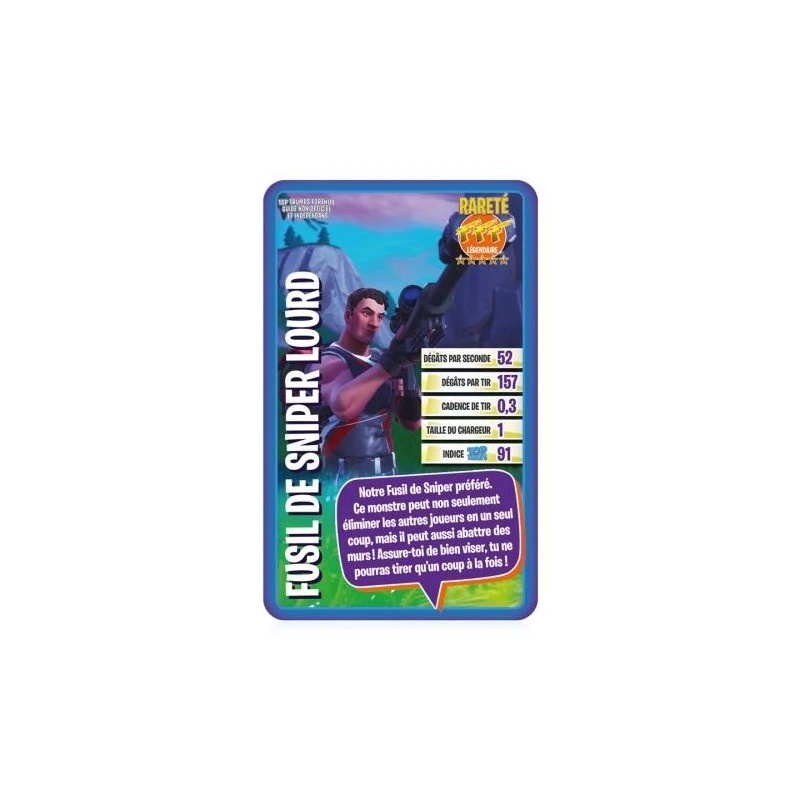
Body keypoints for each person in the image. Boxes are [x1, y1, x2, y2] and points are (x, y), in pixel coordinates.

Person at [317, 288, 421, 485]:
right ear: (348, 316)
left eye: (380, 317)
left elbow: (413, 423)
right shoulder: (328, 360)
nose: (374, 323)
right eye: (367, 313)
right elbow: (343, 407)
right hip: (343, 479)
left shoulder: (381, 359)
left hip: (387, 475)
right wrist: (391, 364)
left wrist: (408, 372)